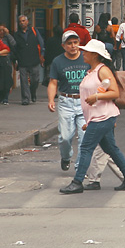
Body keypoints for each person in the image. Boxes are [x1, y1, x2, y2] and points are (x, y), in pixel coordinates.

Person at [58, 40, 125, 194]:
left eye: (87, 51)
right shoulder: (92, 71)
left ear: (95, 55)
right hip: (99, 117)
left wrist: (96, 97)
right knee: (111, 148)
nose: (83, 53)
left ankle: (77, 181)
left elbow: (114, 92)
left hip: (103, 116)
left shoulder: (103, 70)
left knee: (86, 147)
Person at [47, 30, 88, 172]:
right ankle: (66, 157)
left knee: (84, 137)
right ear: (63, 45)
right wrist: (51, 99)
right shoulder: (58, 61)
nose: (73, 46)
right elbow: (53, 82)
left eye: (75, 43)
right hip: (66, 101)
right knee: (65, 137)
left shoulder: (86, 58)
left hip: (84, 102)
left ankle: (79, 168)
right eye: (69, 43)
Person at [14, 14, 45, 106]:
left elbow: (41, 42)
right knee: (24, 81)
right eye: (20, 21)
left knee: (35, 80)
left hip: (34, 59)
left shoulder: (34, 31)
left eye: (23, 21)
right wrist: (16, 60)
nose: (22, 23)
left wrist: (42, 54)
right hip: (22, 60)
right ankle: (25, 99)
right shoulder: (16, 34)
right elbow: (15, 48)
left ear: (27, 22)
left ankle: (33, 92)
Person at [0, 23, 16, 106]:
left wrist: (8, 34)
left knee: (7, 80)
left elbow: (14, 44)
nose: (1, 32)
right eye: (0, 30)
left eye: (3, 30)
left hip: (7, 61)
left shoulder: (8, 38)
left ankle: (5, 98)